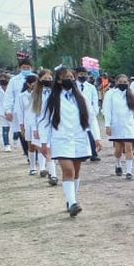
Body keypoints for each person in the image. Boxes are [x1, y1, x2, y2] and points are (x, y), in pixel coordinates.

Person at [37, 66, 93, 217]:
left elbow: (91, 118)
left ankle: (71, 200)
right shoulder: (52, 98)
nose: (69, 80)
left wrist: (97, 137)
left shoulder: (81, 98)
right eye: (66, 77)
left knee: (76, 171)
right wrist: (44, 143)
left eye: (71, 77)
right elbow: (44, 121)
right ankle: (73, 203)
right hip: (61, 139)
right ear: (59, 80)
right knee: (68, 170)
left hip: (79, 138)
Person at [102, 73, 134, 180]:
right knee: (118, 149)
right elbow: (107, 110)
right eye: (120, 82)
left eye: (125, 82)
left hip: (128, 126)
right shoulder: (111, 94)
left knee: (129, 148)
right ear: (116, 82)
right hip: (116, 126)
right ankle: (118, 164)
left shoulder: (132, 94)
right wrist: (107, 125)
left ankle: (129, 171)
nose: (123, 84)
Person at [75, 66, 102, 162]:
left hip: (89, 113)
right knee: (81, 133)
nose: (83, 76)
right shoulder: (73, 86)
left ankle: (93, 153)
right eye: (81, 74)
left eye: (85, 74)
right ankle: (81, 153)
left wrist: (94, 111)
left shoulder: (91, 87)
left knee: (92, 132)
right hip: (76, 113)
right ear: (76, 74)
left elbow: (95, 100)